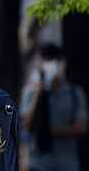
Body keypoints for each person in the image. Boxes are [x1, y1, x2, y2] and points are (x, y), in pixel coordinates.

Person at [20, 43, 87, 171]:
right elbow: (26, 125)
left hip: (66, 164)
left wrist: (46, 131)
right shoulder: (30, 92)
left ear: (62, 64)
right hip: (37, 164)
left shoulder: (75, 93)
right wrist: (38, 95)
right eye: (45, 60)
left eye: (53, 60)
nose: (49, 65)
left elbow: (81, 128)